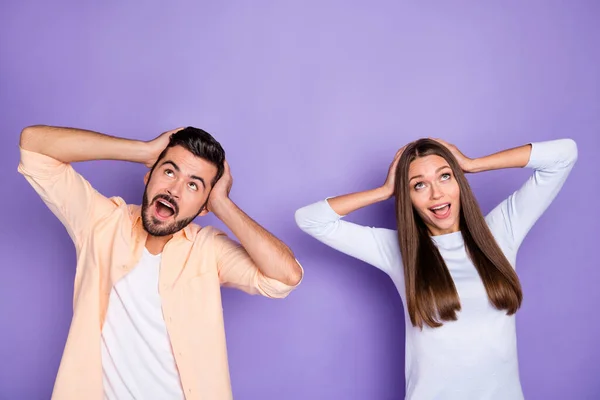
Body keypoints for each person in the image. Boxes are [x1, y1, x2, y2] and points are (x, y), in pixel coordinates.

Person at [18, 125, 303, 400]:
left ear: (205, 207)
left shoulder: (207, 249)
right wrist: (142, 151)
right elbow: (34, 146)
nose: (175, 190)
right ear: (149, 176)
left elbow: (285, 276)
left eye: (193, 185)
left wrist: (223, 204)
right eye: (169, 171)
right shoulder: (101, 223)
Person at [295, 137, 577, 399]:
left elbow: (564, 154)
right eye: (419, 185)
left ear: (459, 181)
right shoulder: (399, 250)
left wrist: (472, 164)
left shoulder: (500, 232)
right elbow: (309, 219)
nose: (436, 194)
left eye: (445, 176)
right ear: (408, 197)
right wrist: (383, 192)